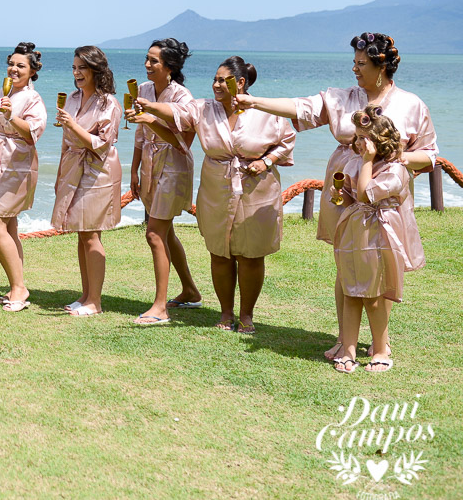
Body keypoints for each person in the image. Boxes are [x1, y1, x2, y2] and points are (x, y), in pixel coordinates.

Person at [233, 33, 436, 359]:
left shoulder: (412, 105)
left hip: (384, 192)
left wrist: (389, 156)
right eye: (353, 62)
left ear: (381, 66)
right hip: (343, 191)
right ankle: (347, 340)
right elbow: (301, 107)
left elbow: (429, 155)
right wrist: (254, 101)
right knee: (347, 263)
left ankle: (381, 345)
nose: (354, 69)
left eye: (361, 64)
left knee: (379, 264)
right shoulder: (341, 98)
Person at [135, 57, 295, 334]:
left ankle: (246, 315)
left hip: (257, 188)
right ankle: (226, 312)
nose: (216, 84)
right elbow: (176, 113)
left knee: (251, 254)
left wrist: (266, 162)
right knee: (219, 252)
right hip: (215, 187)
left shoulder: (264, 110)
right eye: (215, 79)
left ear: (240, 82)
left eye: (223, 79)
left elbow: (286, 141)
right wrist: (149, 107)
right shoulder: (202, 109)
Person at [329, 105, 411, 373]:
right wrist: (340, 194)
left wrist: (366, 162)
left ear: (378, 142)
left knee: (374, 294)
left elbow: (367, 195)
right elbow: (356, 196)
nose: (357, 142)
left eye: (363, 138)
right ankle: (348, 348)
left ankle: (380, 349)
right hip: (356, 230)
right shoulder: (358, 162)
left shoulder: (395, 170)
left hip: (379, 232)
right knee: (351, 289)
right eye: (357, 136)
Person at [128, 38, 202, 325]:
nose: (147, 65)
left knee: (154, 233)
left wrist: (151, 119)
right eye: (147, 59)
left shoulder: (184, 98)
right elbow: (139, 134)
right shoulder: (143, 89)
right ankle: (190, 291)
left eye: (153, 61)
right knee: (166, 233)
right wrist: (134, 170)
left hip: (173, 166)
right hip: (148, 165)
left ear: (169, 66)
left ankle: (160, 307)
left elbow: (183, 144)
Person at [51, 46, 122, 317]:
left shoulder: (109, 104)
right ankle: (85, 294)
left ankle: (96, 301)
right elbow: (66, 140)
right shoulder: (71, 98)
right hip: (73, 169)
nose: (77, 73)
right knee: (81, 233)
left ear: (95, 69)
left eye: (82, 67)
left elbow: (103, 146)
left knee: (92, 233)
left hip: (98, 172)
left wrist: (73, 126)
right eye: (74, 67)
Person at [0, 42, 47, 313]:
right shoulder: (1, 92)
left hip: (16, 166)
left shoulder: (32, 99)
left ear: (32, 71)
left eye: (21, 66)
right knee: (8, 227)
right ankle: (14, 286)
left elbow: (33, 132)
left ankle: (20, 288)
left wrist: (11, 116)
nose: (14, 69)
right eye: (12, 64)